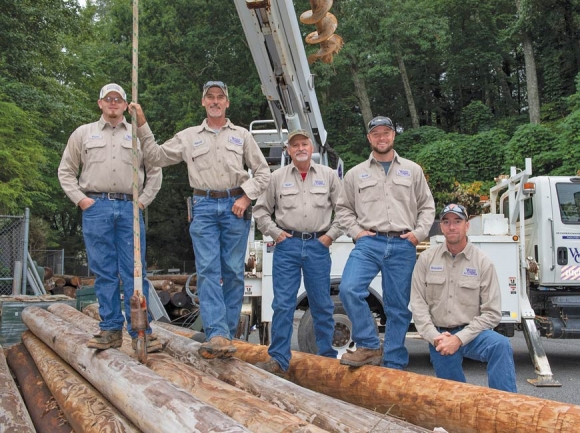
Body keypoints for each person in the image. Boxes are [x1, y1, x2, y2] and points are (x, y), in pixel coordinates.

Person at [131, 81, 271, 359]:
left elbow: (263, 172)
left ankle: (225, 335)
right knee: (208, 271)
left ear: (227, 103)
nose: (216, 101)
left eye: (221, 97)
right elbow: (155, 156)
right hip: (203, 206)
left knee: (232, 272)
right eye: (211, 97)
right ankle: (217, 333)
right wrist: (142, 125)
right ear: (203, 102)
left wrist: (246, 197)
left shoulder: (242, 136)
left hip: (235, 206)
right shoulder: (189, 136)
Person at [58, 83, 162, 352]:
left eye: (118, 99)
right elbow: (66, 171)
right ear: (100, 103)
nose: (113, 103)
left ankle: (142, 331)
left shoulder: (138, 136)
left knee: (135, 272)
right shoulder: (84, 134)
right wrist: (82, 200)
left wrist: (142, 202)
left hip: (129, 207)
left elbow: (156, 170)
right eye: (108, 99)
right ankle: (110, 329)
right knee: (104, 272)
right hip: (97, 207)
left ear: (126, 105)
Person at [336, 116, 435, 369]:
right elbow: (343, 209)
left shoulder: (412, 170)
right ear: (369, 138)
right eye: (376, 133)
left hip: (403, 244)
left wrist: (418, 234)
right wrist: (357, 232)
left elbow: (427, 207)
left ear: (393, 136)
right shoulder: (355, 174)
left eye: (386, 133)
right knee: (349, 289)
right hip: (369, 243)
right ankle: (369, 345)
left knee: (398, 307)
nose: (382, 137)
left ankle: (393, 362)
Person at [252, 129, 343, 375]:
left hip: (317, 246)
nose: (300, 148)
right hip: (287, 246)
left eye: (304, 144)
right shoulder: (276, 177)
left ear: (311, 148)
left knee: (322, 305)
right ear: (288, 151)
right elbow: (260, 211)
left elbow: (344, 209)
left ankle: (326, 360)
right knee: (282, 304)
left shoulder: (329, 176)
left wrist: (330, 236)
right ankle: (279, 360)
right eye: (295, 145)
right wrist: (275, 233)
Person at [410, 203, 517, 392]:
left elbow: (492, 314)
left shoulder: (483, 262)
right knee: (454, 398)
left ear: (467, 225)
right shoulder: (426, 260)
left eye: (457, 221)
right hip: (440, 337)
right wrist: (435, 338)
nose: (452, 227)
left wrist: (459, 339)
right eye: (447, 222)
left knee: (500, 345)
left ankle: (506, 405)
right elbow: (418, 305)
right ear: (441, 227)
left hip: (473, 334)